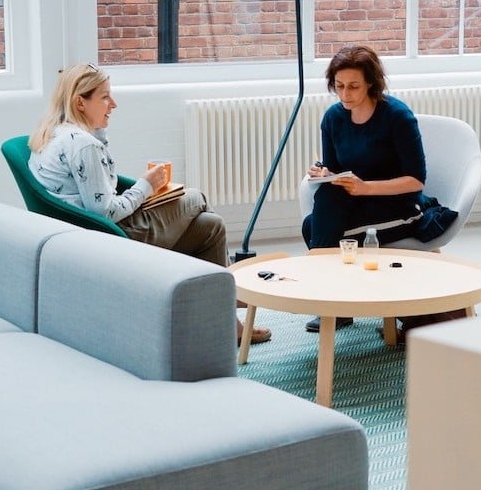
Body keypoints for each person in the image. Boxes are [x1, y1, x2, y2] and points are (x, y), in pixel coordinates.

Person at [28, 63, 271, 346]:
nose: (114, 104)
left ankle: (227, 321)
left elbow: (96, 192)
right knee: (196, 197)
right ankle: (229, 293)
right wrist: (146, 186)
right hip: (114, 237)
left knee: (211, 226)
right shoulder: (84, 146)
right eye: (105, 97)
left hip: (92, 233)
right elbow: (104, 211)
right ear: (80, 102)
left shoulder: (58, 134)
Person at [302, 45, 427, 336]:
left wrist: (365, 187)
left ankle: (332, 302)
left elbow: (416, 180)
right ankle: (337, 303)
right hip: (356, 203)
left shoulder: (397, 117)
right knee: (315, 220)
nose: (345, 94)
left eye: (354, 86)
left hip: (399, 206)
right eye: (339, 86)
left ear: (371, 82)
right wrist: (323, 173)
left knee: (316, 229)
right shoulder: (333, 117)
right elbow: (334, 170)